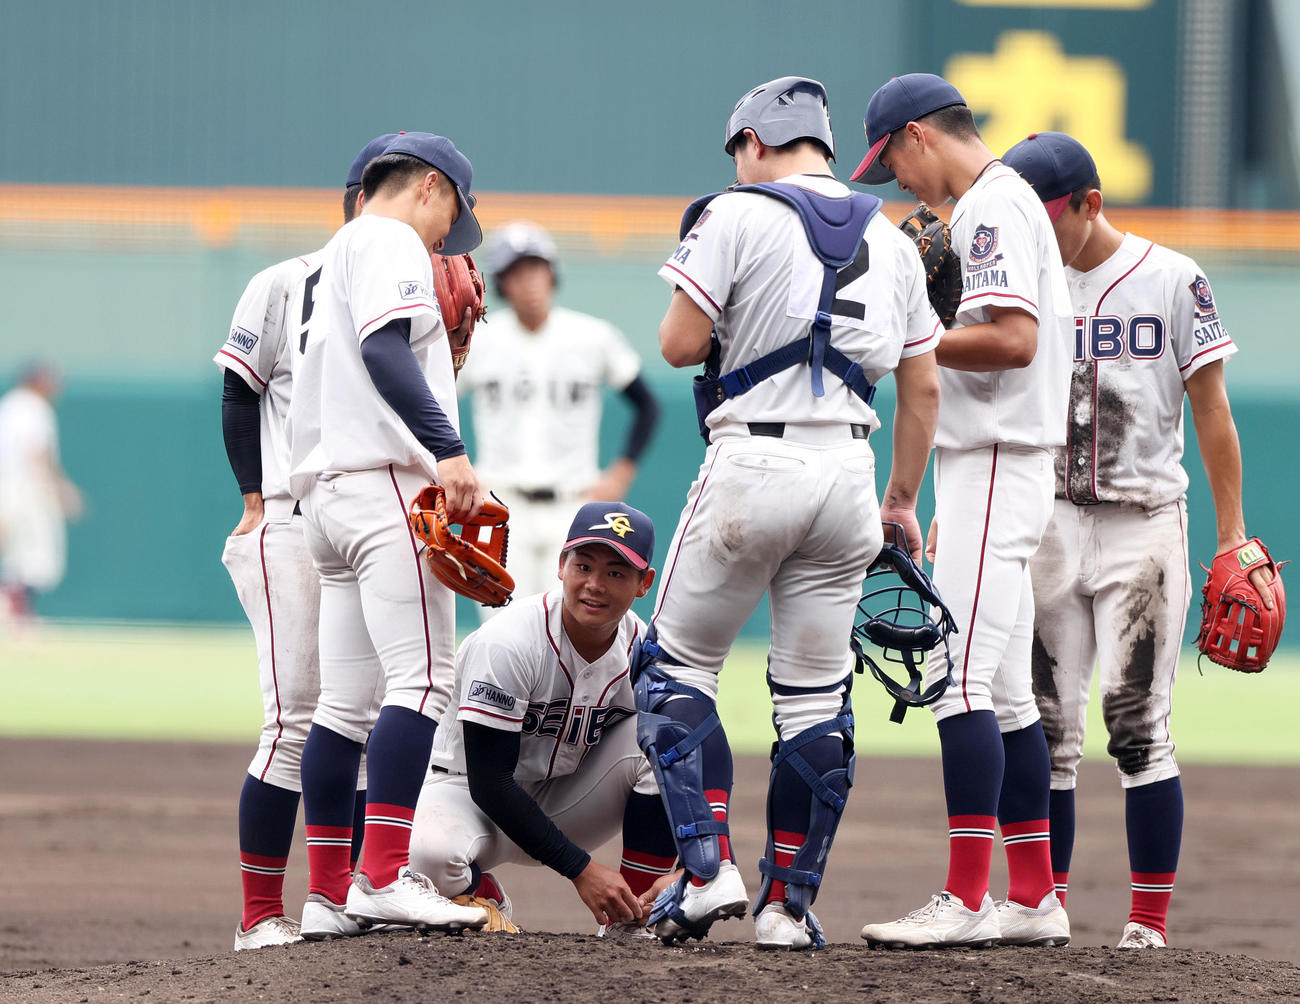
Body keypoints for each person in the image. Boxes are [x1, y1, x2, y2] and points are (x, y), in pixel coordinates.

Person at [639, 75, 942, 951]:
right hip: (849, 470)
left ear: (756, 141)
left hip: (752, 461)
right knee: (815, 701)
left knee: (674, 670)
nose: (736, 165)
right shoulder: (891, 242)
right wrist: (900, 499)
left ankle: (705, 871)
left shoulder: (734, 215)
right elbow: (922, 386)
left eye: (737, 150)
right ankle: (788, 908)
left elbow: (679, 344)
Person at [1001, 131, 1273, 950]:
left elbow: (1213, 411)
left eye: (1050, 217)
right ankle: (1041, 906)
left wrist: (1233, 536)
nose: (1040, 235)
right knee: (1047, 728)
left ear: (1091, 202)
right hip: (1045, 518)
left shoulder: (1172, 277)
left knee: (1136, 726)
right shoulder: (1020, 283)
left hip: (1143, 524)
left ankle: (1147, 924)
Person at [850, 74, 1073, 948]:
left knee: (959, 681)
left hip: (997, 459)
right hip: (992, 462)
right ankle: (1033, 896)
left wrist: (913, 330)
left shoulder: (986, 207)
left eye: (892, 159)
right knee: (1009, 696)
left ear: (918, 135)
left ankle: (967, 896)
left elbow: (1013, 342)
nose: (896, 180)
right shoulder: (1001, 204)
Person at [286, 131, 491, 938]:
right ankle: (382, 874)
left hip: (330, 498)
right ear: (429, 187)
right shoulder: (390, 236)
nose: (447, 242)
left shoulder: (340, 250)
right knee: (427, 681)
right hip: (384, 490)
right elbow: (384, 350)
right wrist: (451, 451)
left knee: (343, 707)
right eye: (452, 220)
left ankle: (329, 894)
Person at [216, 134, 397, 951]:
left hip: (363, 519)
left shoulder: (409, 285)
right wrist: (254, 501)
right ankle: (259, 917)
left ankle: (337, 897)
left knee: (354, 715)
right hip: (289, 521)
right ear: (363, 200)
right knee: (293, 722)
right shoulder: (283, 281)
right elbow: (236, 388)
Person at [408, 501, 679, 936]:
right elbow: (490, 782)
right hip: (470, 796)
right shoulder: (510, 642)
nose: (595, 585)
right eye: (584, 565)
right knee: (426, 860)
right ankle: (484, 893)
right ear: (561, 565)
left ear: (643, 583)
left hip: (568, 799)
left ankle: (635, 917)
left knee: (665, 737)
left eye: (616, 573)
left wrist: (694, 865)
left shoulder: (642, 649)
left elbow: (688, 761)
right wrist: (581, 869)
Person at [457, 222, 660, 600]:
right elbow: (435, 403)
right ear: (502, 283)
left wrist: (620, 473)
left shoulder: (592, 336)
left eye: (535, 267)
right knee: (501, 622)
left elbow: (648, 405)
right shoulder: (481, 341)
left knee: (565, 621)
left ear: (552, 273)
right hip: (499, 501)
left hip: (572, 501)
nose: (528, 281)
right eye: (516, 272)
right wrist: (459, 467)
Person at [0, 364, 82, 622]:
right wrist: (62, 490)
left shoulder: (9, 405)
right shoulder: (35, 408)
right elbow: (36, 455)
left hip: (7, 488)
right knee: (37, 558)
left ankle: (16, 611)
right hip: (28, 491)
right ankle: (13, 608)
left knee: (16, 557)